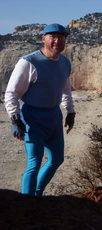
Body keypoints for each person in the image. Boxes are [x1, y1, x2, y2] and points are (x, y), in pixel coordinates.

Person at [4, 23, 76, 196]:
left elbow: (65, 89)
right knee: (34, 163)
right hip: (33, 118)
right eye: (53, 37)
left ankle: (37, 194)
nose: (57, 41)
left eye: (61, 38)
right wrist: (15, 119)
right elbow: (11, 93)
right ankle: (26, 203)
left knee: (56, 159)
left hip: (54, 117)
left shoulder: (65, 63)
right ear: (44, 39)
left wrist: (71, 111)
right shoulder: (29, 62)